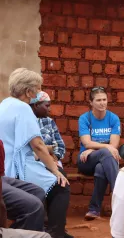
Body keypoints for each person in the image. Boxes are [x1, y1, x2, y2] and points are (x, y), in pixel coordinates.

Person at [0, 68, 72, 238]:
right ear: (28, 91)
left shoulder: (3, 104)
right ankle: (56, 232)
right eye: (38, 88)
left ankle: (34, 228)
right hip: (18, 166)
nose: (39, 92)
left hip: (5, 165)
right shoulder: (23, 108)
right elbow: (38, 145)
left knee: (40, 191)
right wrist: (55, 170)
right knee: (60, 184)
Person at [78, 86, 121, 221]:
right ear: (91, 102)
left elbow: (114, 146)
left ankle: (94, 210)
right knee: (105, 154)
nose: (102, 103)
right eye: (98, 100)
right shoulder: (85, 119)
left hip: (105, 161)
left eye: (104, 99)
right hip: (86, 161)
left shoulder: (113, 118)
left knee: (101, 168)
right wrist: (100, 148)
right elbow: (86, 143)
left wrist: (94, 147)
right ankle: (120, 194)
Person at [0, 140, 51, 238]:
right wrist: (4, 230)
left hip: (3, 179)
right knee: (34, 206)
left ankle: (25, 231)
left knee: (38, 192)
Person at [30, 91, 65, 168]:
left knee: (60, 176)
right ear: (36, 105)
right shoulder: (25, 122)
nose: (49, 109)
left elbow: (60, 146)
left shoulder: (49, 121)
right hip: (33, 163)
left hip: (53, 161)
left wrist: (53, 158)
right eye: (47, 106)